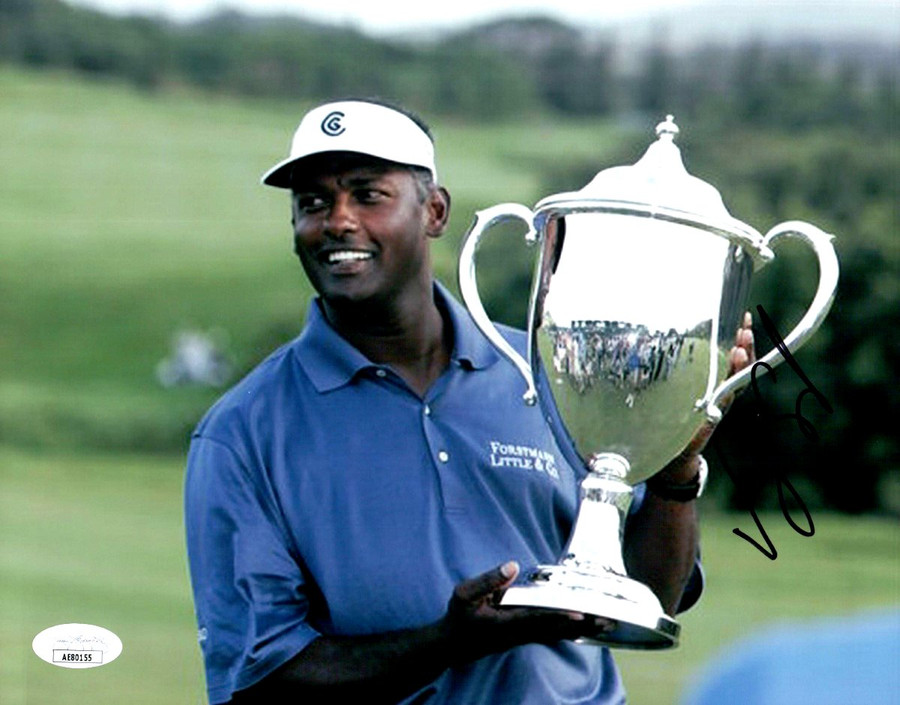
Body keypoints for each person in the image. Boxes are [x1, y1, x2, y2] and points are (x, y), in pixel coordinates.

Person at [184, 99, 754, 704]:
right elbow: (258, 683)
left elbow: (648, 594)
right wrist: (449, 641)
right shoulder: (243, 434)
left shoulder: (559, 374)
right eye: (313, 203)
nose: (337, 221)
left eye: (367, 195)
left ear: (434, 211)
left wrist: (674, 472)